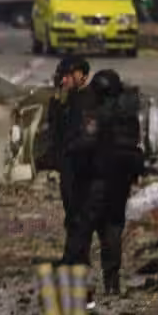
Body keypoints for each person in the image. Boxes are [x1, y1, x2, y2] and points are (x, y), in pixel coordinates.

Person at [62, 69, 144, 295]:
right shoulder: (128, 117)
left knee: (82, 230)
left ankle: (78, 284)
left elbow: (85, 144)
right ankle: (112, 282)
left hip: (95, 183)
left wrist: (70, 151)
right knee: (112, 231)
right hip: (120, 185)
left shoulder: (96, 116)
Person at [47, 56, 93, 241]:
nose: (63, 81)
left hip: (83, 166)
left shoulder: (90, 101)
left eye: (67, 76)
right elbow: (56, 131)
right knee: (71, 212)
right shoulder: (68, 100)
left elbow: (88, 137)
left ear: (81, 75)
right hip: (69, 165)